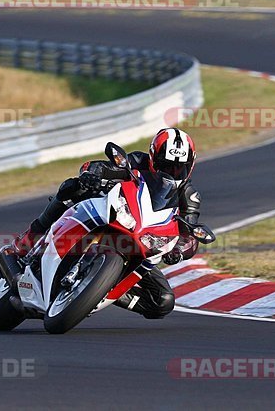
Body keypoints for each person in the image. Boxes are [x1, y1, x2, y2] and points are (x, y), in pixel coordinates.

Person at [11, 127, 203, 319]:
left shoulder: (189, 196)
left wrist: (179, 250)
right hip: (112, 212)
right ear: (153, 157)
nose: (173, 171)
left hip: (142, 241)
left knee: (163, 301)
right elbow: (103, 166)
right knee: (72, 187)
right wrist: (92, 173)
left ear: (191, 165)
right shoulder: (137, 161)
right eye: (166, 165)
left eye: (180, 167)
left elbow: (190, 233)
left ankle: (97, 292)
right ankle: (29, 238)